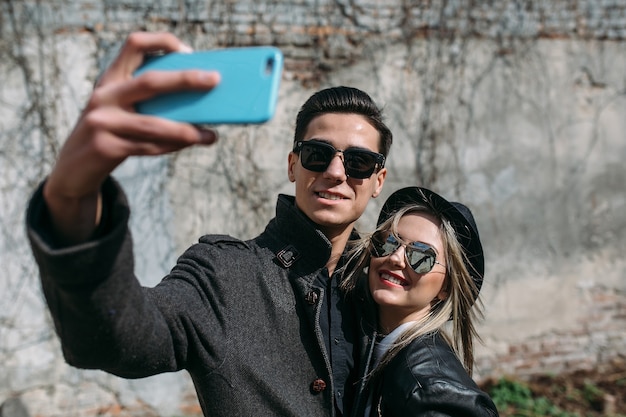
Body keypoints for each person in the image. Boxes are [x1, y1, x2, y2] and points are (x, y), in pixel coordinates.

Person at [25, 32, 393, 417]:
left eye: (358, 162)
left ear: (377, 181)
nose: (336, 172)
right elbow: (117, 339)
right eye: (318, 154)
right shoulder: (223, 274)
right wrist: (72, 198)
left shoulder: (387, 284)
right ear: (292, 166)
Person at [341, 187, 499, 416]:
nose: (395, 258)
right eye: (388, 242)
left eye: (421, 255)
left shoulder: (432, 391)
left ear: (446, 288)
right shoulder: (373, 347)